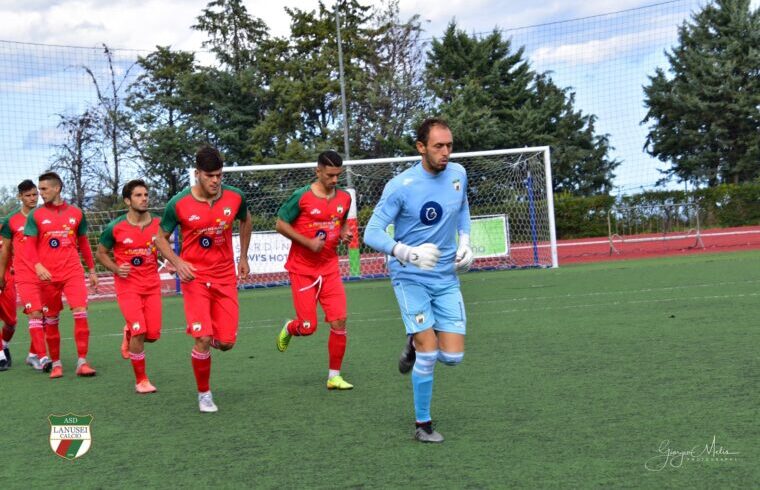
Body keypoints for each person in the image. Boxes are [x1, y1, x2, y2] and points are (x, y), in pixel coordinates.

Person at [363, 117, 474, 443]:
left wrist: (465, 240)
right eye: (438, 146)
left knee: (452, 356)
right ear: (421, 147)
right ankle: (422, 425)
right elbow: (371, 232)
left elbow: (463, 207)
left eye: (449, 145)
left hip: (445, 276)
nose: (446, 153)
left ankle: (413, 341)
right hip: (409, 275)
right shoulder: (400, 186)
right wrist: (407, 253)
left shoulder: (458, 175)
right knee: (429, 352)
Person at [155, 145, 252, 413]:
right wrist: (177, 262)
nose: (215, 181)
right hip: (195, 278)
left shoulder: (235, 197)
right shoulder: (179, 203)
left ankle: (213, 347)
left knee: (227, 343)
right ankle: (204, 394)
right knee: (203, 338)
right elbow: (159, 238)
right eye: (210, 176)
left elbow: (246, 220)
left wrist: (242, 257)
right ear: (197, 174)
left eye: (219, 175)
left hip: (224, 277)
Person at [274, 150, 354, 390]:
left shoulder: (344, 198)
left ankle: (334, 376)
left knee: (339, 320)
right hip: (303, 270)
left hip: (329, 268)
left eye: (338, 175)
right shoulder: (301, 197)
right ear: (317, 171)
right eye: (330, 175)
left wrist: (343, 234)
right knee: (308, 327)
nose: (334, 180)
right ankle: (291, 327)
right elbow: (280, 224)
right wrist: (307, 242)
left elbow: (340, 224)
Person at [24, 171, 99, 379]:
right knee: (51, 319)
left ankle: (82, 361)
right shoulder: (35, 215)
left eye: (44, 189)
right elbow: (28, 247)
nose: (40, 193)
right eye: (39, 190)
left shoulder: (76, 213)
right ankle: (56, 363)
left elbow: (83, 243)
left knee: (80, 311)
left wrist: (92, 270)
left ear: (57, 188)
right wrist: (37, 265)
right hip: (47, 276)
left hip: (72, 272)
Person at [96, 180, 162, 394]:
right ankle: (141, 380)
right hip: (128, 287)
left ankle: (128, 333)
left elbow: (164, 248)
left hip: (152, 285)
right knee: (140, 331)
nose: (144, 199)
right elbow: (101, 253)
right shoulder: (115, 227)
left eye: (146, 194)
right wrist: (116, 268)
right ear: (127, 200)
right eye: (138, 195)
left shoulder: (158, 225)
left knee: (152, 335)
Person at [0, 179, 51, 372]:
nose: (32, 198)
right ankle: (39, 356)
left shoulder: (45, 216)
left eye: (34, 194)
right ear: (20, 197)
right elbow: (5, 250)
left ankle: (32, 354)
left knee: (47, 315)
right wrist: (2, 275)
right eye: (28, 195)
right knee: (35, 313)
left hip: (45, 273)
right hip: (23, 274)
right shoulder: (11, 220)